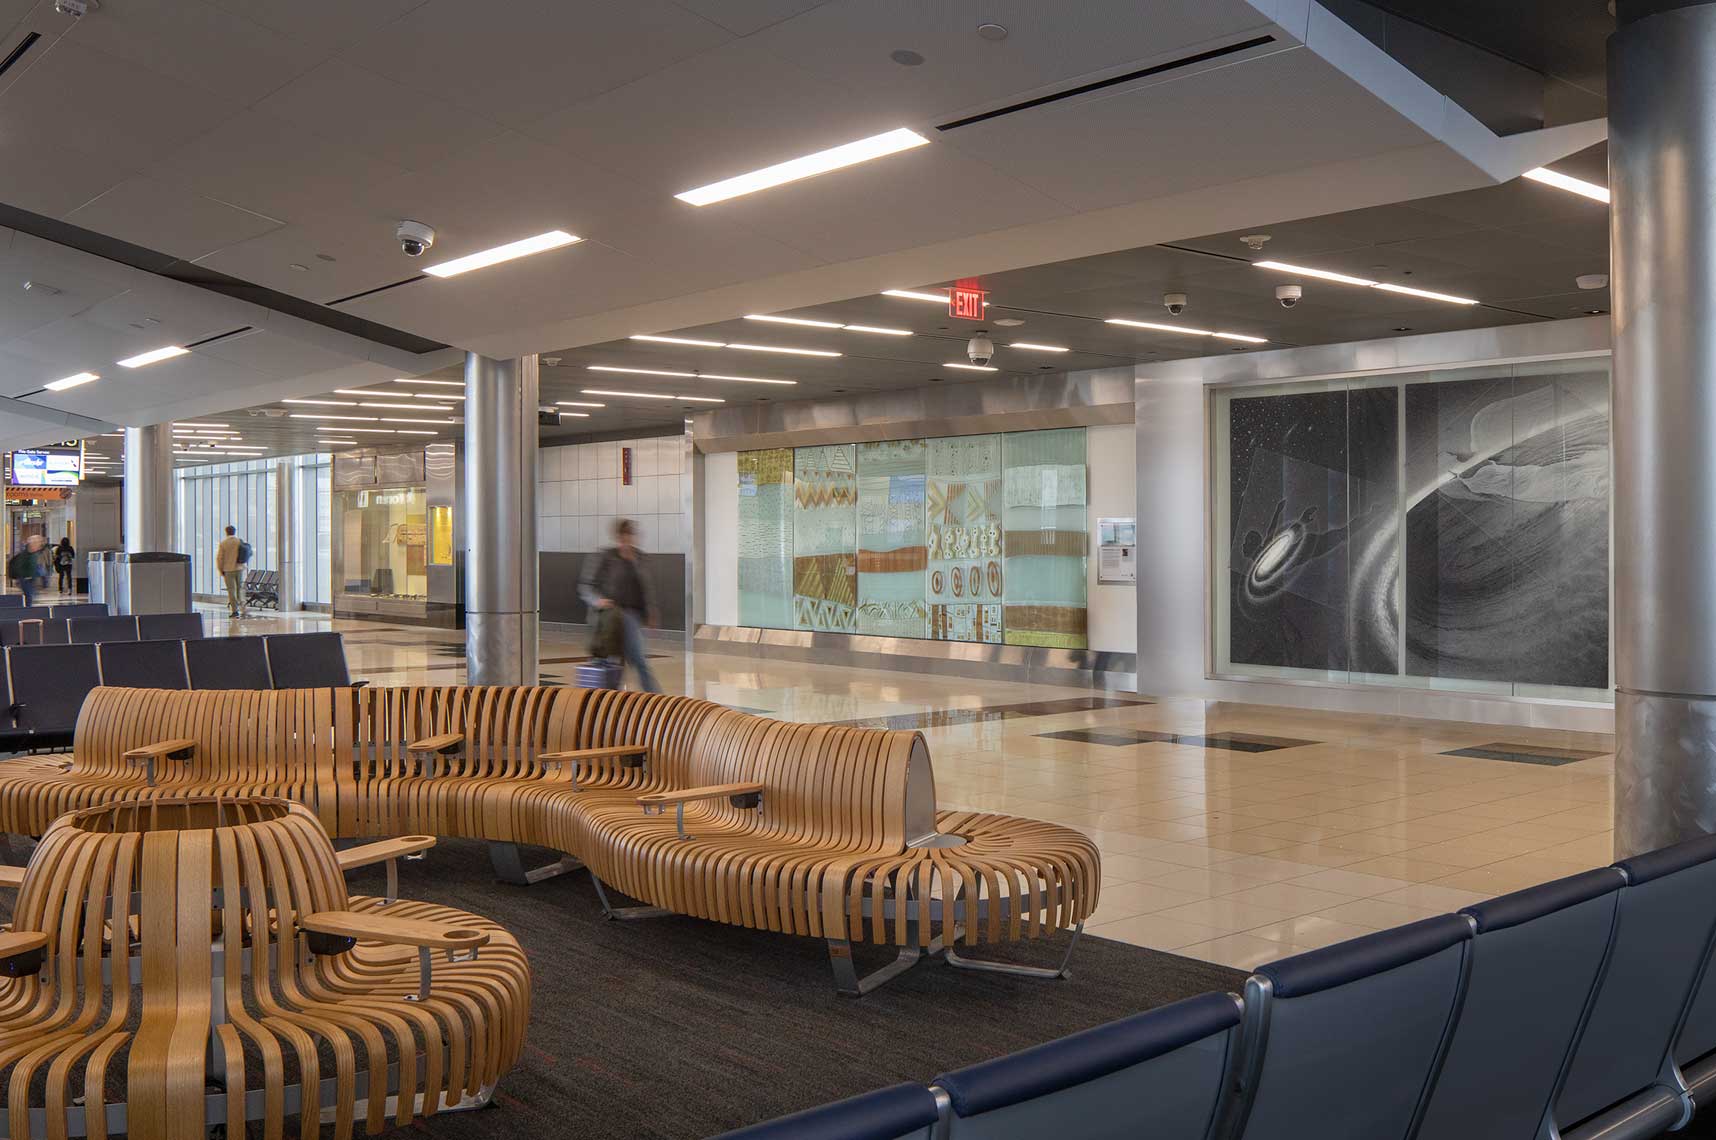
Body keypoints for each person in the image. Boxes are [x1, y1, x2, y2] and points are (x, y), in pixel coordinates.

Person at [577, 518, 660, 692]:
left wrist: (651, 611)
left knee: (637, 658)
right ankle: (610, 700)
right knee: (612, 660)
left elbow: (646, 588)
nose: (627, 541)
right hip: (610, 616)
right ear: (618, 537)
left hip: (632, 616)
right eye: (623, 537)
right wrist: (597, 600)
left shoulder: (640, 558)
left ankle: (657, 699)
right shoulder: (606, 557)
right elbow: (585, 586)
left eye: (630, 536)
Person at [217, 525, 247, 618]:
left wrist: (220, 569)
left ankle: (235, 610)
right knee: (240, 588)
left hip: (228, 569)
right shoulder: (239, 541)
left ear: (226, 532)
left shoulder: (224, 543)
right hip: (239, 568)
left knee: (231, 590)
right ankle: (243, 606)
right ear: (234, 532)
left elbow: (220, 558)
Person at [8, 535, 46, 606]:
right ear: (32, 544)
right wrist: (25, 576)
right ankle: (28, 611)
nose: (39, 546)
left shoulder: (33, 553)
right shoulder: (25, 555)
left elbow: (34, 566)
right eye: (38, 543)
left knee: (31, 596)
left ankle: (28, 609)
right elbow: (21, 567)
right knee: (29, 597)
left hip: (30, 579)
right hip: (25, 579)